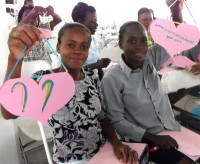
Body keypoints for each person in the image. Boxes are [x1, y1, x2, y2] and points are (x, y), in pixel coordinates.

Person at [1, 22, 139, 164]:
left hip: (103, 152)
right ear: (58, 48)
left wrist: (116, 143)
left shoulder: (91, 76)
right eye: (71, 45)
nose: (78, 51)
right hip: (70, 159)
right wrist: (14, 59)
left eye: (84, 46)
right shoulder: (45, 80)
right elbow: (8, 112)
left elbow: (102, 117)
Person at [101, 21, 196, 164]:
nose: (139, 46)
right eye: (132, 41)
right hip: (145, 139)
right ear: (121, 44)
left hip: (170, 129)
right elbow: (117, 121)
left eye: (143, 41)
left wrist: (176, 11)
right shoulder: (112, 79)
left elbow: (176, 37)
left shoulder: (150, 59)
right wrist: (153, 138)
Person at [71, 2, 111, 79]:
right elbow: (71, 73)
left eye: (96, 21)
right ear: (80, 23)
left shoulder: (93, 40)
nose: (96, 25)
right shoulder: (71, 45)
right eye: (92, 22)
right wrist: (95, 65)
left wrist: (101, 85)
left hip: (94, 85)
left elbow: (99, 68)